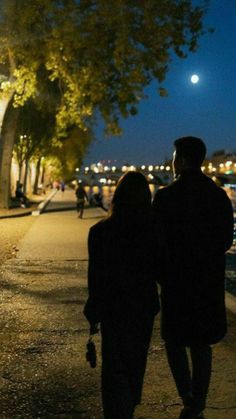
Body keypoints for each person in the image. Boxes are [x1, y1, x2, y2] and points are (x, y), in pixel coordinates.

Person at [152, 136, 234, 419]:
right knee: (201, 345)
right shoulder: (218, 197)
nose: (173, 161)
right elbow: (225, 239)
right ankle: (197, 401)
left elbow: (155, 243)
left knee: (174, 342)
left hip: (176, 283)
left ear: (183, 159)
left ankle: (187, 396)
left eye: (175, 156)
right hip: (207, 283)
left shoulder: (164, 197)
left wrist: (162, 274)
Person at [84, 172, 160, 419]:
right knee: (136, 360)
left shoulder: (99, 232)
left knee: (113, 363)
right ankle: (129, 402)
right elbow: (160, 270)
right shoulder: (152, 232)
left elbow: (95, 276)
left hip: (112, 307)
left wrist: (93, 309)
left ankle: (117, 409)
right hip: (142, 306)